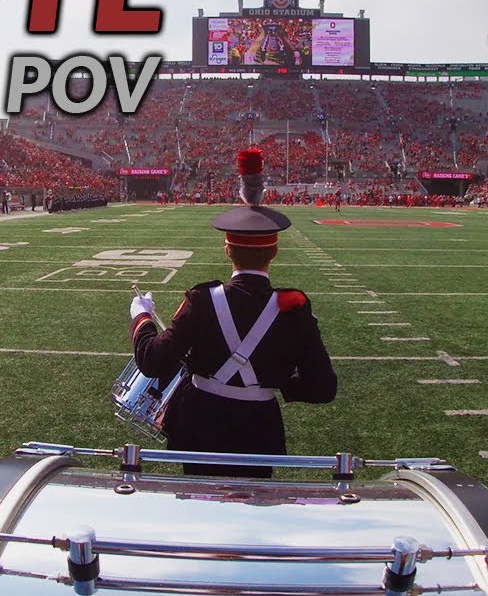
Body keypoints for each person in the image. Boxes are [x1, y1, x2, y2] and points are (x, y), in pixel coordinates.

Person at [130, 148, 336, 477]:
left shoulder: (203, 299)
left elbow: (152, 360)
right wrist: (277, 380)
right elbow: (324, 388)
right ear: (275, 250)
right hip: (260, 432)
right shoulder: (294, 308)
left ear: (227, 249)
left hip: (199, 429)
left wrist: (141, 316)